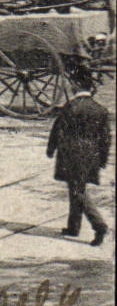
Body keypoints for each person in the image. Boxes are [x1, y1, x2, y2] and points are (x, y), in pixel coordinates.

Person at [47, 69, 109, 246]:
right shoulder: (101, 110)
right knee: (76, 187)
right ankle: (73, 227)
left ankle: (99, 225)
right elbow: (105, 138)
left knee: (77, 191)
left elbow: (57, 130)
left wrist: (51, 149)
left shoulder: (70, 107)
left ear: (76, 86)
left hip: (71, 153)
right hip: (91, 155)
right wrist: (102, 159)